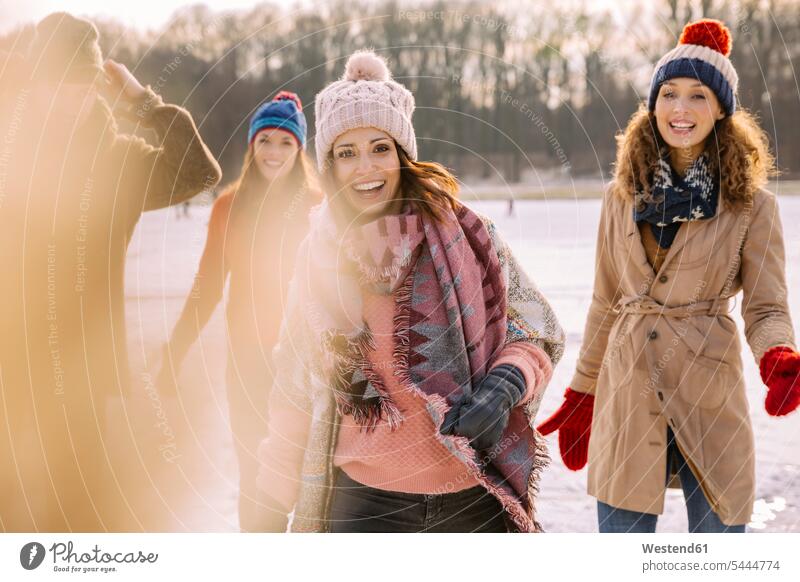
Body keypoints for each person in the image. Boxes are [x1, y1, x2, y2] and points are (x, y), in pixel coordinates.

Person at [255, 50, 565, 533]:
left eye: (379, 147)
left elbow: (537, 332)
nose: (365, 167)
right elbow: (294, 386)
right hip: (364, 507)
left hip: (471, 498)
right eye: (346, 152)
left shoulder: (469, 235)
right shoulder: (317, 257)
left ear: (402, 153)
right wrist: (270, 504)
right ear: (329, 165)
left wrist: (504, 387)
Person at [538, 19, 800, 533]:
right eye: (669, 94)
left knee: (717, 552)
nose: (680, 110)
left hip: (709, 389)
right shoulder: (619, 196)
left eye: (698, 96)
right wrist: (582, 392)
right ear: (652, 103)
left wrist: (777, 354)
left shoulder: (752, 205)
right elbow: (605, 301)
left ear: (721, 109)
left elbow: (766, 306)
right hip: (628, 388)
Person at [0, 12, 221, 531]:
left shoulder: (116, 161)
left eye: (79, 85)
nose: (67, 101)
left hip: (84, 372)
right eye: (55, 86)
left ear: (98, 83)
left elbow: (198, 171)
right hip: (10, 373)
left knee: (78, 520)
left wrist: (143, 103)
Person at [158, 91, 316, 532]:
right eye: (265, 140)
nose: (274, 152)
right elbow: (207, 286)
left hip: (307, 365)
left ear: (300, 149)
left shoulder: (317, 205)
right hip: (248, 362)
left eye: (286, 143)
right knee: (256, 475)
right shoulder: (229, 206)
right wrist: (175, 350)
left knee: (311, 477)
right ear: (251, 145)